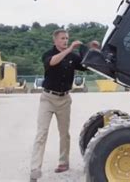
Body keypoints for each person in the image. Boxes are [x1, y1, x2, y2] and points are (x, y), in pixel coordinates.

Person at [30, 29, 99, 181]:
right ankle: (35, 168)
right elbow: (52, 62)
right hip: (47, 98)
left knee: (64, 133)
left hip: (64, 99)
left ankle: (63, 162)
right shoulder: (48, 54)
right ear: (55, 40)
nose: (65, 40)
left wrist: (93, 50)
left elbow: (87, 66)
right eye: (62, 38)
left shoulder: (72, 57)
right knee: (42, 133)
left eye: (67, 38)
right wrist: (69, 49)